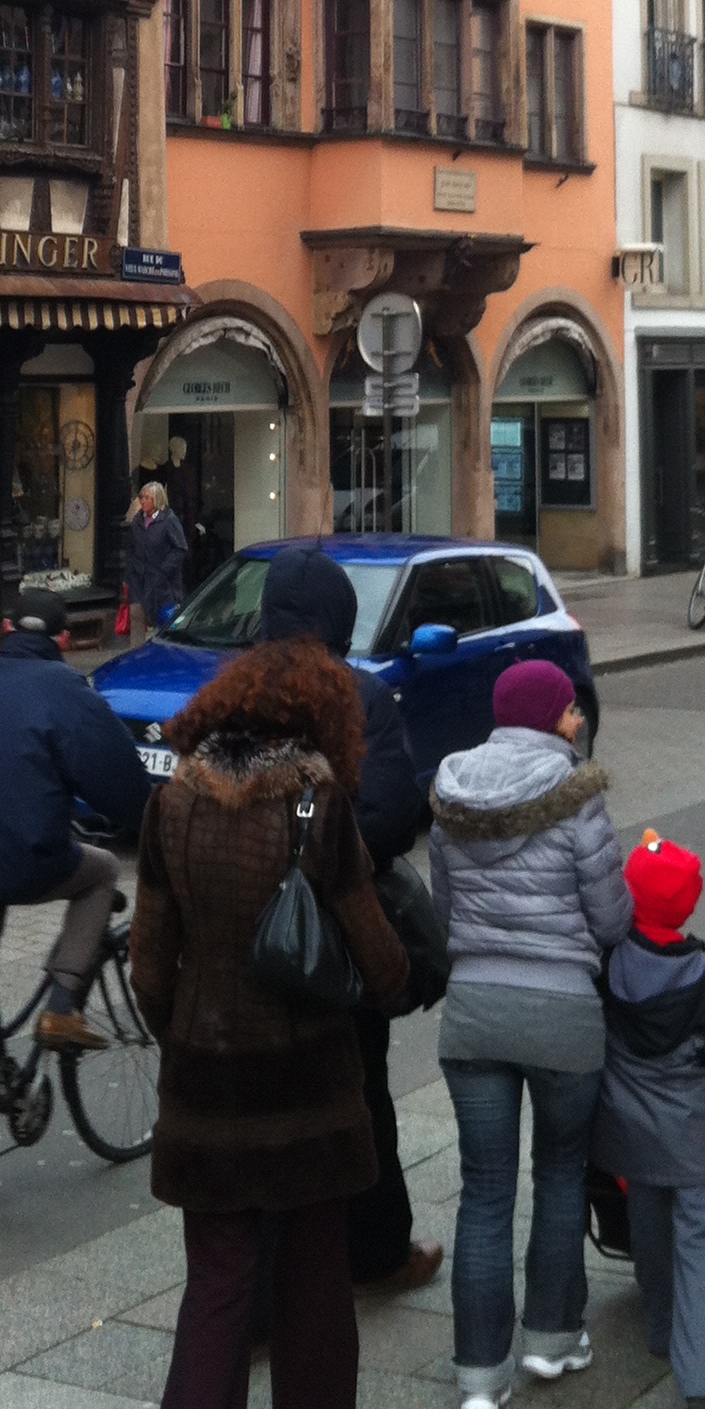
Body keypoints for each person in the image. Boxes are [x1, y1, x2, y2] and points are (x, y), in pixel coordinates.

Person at [132, 632, 409, 1409]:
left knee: (217, 1286)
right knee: (314, 1283)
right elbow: (379, 957)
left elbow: (149, 965)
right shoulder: (317, 805)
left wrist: (184, 1032)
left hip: (204, 1080)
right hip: (307, 1086)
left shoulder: (172, 803)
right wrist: (389, 985)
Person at [427, 659, 629, 1409]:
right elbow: (610, 918)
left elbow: (444, 914)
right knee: (560, 1172)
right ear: (550, 717)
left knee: (483, 1191)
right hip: (562, 1014)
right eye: (572, 711)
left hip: (474, 1011)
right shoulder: (576, 795)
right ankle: (551, 1337)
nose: (578, 722)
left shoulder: (452, 794)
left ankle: (480, 1377)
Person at [260, 544, 439, 1295]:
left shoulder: (230, 695)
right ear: (340, 619)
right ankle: (376, 1251)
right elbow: (394, 815)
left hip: (242, 939)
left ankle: (260, 1291)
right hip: (336, 940)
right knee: (360, 1092)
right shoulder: (360, 698)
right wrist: (329, 853)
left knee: (261, 1110)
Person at [0, 587, 150, 1055]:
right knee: (104, 871)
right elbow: (115, 775)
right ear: (63, 640)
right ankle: (61, 1007)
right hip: (22, 856)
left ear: (7, 630)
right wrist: (150, 821)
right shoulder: (64, 689)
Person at [593, 831, 705, 1409]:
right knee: (703, 1248)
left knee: (649, 1232)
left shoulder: (608, 968)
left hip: (633, 1142)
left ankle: (661, 1330)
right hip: (696, 1145)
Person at [122, 480, 187, 633]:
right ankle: (138, 648)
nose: (142, 501)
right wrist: (129, 575)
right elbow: (131, 548)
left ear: (157, 500)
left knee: (164, 625)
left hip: (162, 585)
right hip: (139, 582)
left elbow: (180, 548)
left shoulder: (168, 519)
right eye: (141, 497)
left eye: (147, 498)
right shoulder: (137, 521)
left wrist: (163, 571)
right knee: (137, 620)